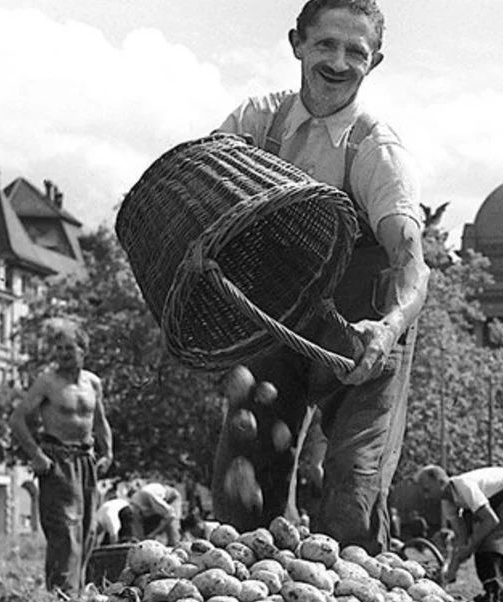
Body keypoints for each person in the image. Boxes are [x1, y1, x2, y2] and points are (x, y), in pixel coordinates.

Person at [208, 0, 429, 555]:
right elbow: (203, 196)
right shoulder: (257, 124)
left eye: (356, 51)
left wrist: (389, 329)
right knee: (244, 492)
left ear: (374, 62)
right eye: (326, 44)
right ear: (296, 43)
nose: (339, 61)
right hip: (278, 315)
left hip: (363, 327)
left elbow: (411, 261)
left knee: (350, 497)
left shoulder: (376, 150)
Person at [9, 317, 113, 592]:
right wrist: (36, 455)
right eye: (59, 349)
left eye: (69, 348)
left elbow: (100, 420)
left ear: (83, 350)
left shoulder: (93, 383)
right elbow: (17, 419)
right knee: (65, 531)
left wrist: (108, 452)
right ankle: (60, 595)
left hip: (86, 460)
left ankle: (78, 593)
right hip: (57, 460)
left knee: (89, 530)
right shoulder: (47, 382)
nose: (63, 354)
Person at [415, 464, 503, 602]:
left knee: (492, 541)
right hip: (493, 497)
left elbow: (491, 520)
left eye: (427, 490)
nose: (426, 496)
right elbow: (461, 537)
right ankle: (490, 590)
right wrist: (451, 570)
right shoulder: (447, 503)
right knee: (479, 538)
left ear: (440, 482)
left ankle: (497, 592)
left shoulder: (464, 486)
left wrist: (470, 547)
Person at [127, 481, 185, 545]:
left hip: (171, 498)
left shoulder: (149, 496)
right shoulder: (134, 505)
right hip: (157, 504)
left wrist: (153, 533)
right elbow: (138, 527)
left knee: (172, 529)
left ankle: (177, 546)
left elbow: (170, 515)